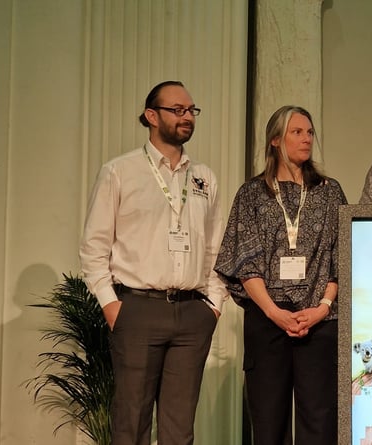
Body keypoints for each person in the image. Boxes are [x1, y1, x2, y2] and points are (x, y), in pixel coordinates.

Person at [79, 80, 228, 445]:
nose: (187, 117)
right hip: (138, 308)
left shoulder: (203, 177)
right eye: (177, 110)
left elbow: (215, 248)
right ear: (151, 116)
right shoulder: (119, 171)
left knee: (180, 430)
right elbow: (94, 246)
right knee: (131, 424)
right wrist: (112, 305)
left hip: (193, 312)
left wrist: (214, 304)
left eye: (191, 110)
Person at [214, 105, 347, 445]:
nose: (306, 139)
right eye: (297, 132)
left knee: (318, 423)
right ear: (275, 140)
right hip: (268, 321)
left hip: (319, 323)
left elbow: (341, 258)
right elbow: (245, 260)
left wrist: (321, 308)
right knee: (268, 422)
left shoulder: (329, 191)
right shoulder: (252, 193)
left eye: (310, 132)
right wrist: (274, 312)